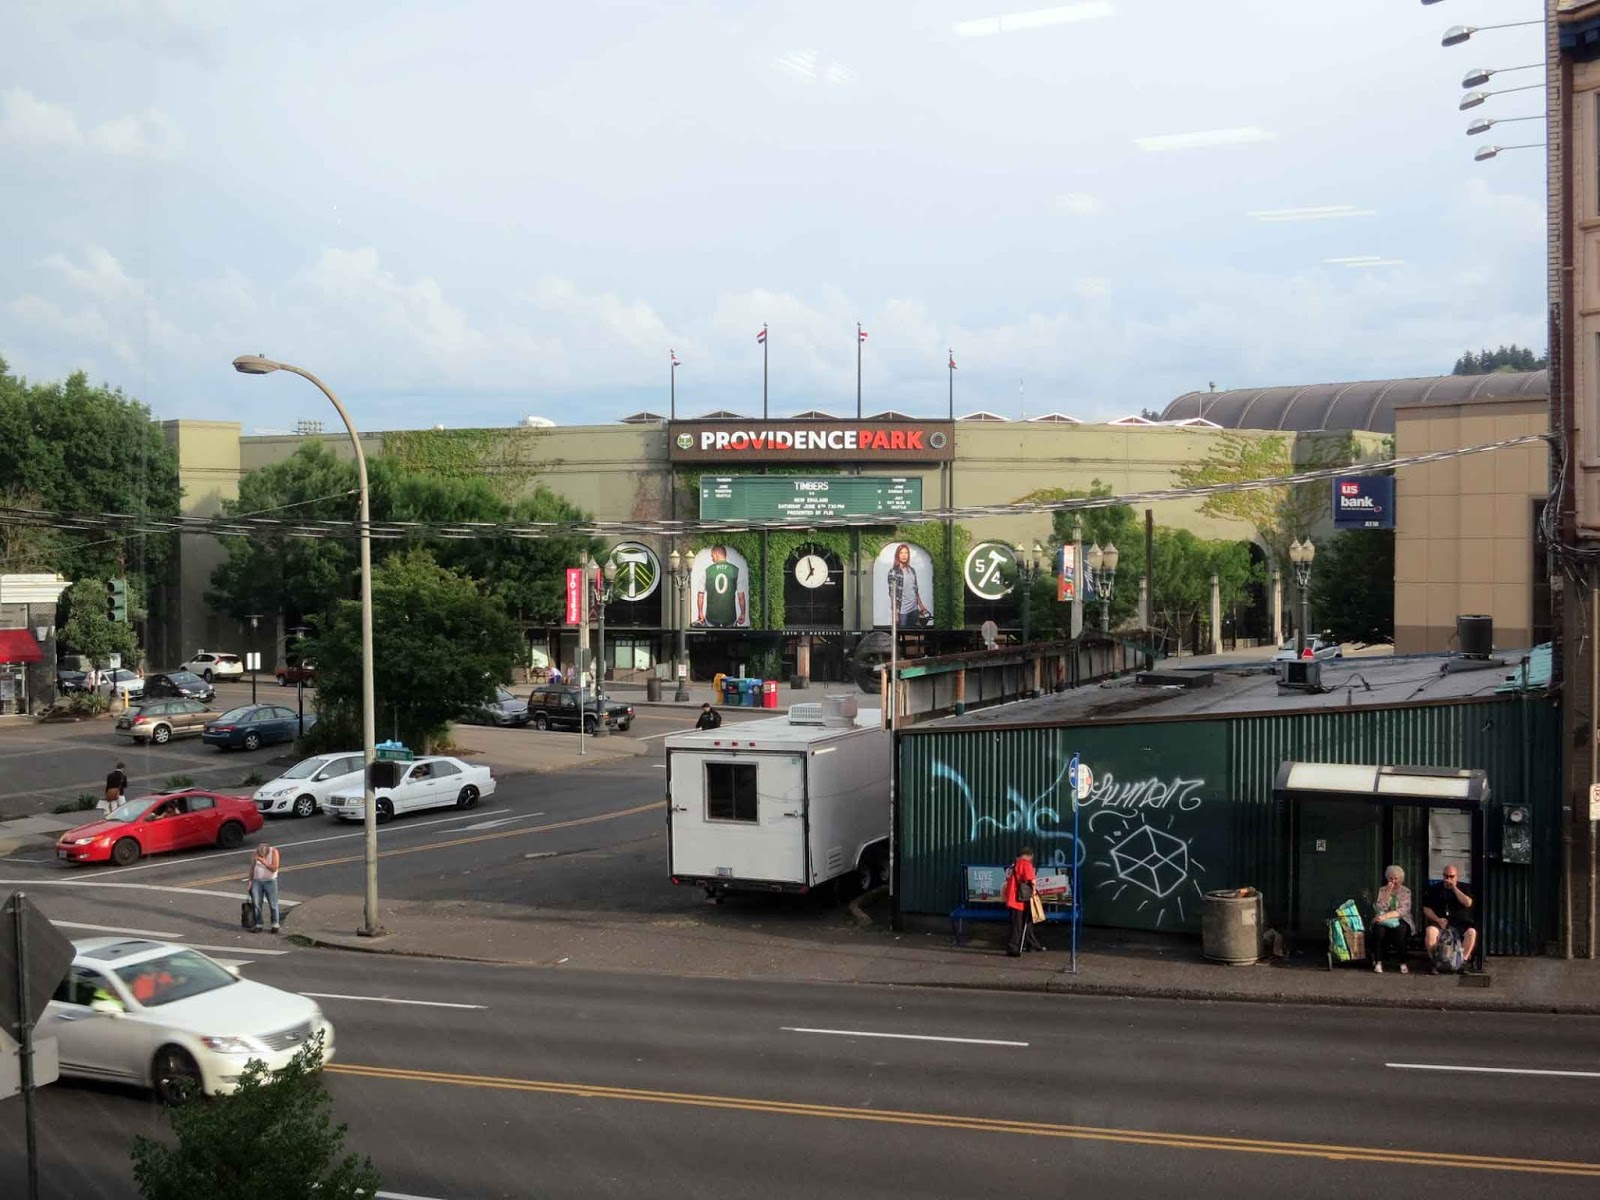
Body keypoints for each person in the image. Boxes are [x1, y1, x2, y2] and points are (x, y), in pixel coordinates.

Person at [1422, 864, 1477, 971]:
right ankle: (1435, 962)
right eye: (1446, 876)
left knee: (1471, 932)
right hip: (1440, 922)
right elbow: (1426, 908)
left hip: (1460, 923)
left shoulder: (1464, 888)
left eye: (1451, 876)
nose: (1448, 879)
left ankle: (1462, 962)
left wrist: (1454, 888)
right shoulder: (1435, 889)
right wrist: (1437, 919)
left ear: (1457, 876)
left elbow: (1468, 903)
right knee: (1430, 931)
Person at [1368, 865, 1414, 974]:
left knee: (1400, 931)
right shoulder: (1382, 890)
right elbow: (1380, 907)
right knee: (1379, 930)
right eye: (1391, 878)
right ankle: (1378, 962)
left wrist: (1385, 916)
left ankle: (1402, 962)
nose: (1393, 881)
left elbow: (1403, 911)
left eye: (1396, 878)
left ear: (1401, 879)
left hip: (1401, 918)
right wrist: (1387, 893)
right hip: (1383, 918)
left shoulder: (1406, 891)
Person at [697, 545, 747, 628]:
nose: (712, 559)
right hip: (730, 619)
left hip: (711, 619)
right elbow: (741, 597)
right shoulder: (736, 571)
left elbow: (700, 594)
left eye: (712, 556)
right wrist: (742, 614)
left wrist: (700, 613)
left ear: (716, 554)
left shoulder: (707, 571)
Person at [887, 543, 933, 628]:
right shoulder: (893, 572)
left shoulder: (912, 570)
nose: (904, 555)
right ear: (898, 555)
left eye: (906, 553)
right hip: (902, 611)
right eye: (901, 553)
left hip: (914, 609)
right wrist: (895, 613)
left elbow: (915, 591)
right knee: (902, 634)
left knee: (913, 633)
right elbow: (892, 594)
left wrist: (921, 606)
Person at [1003, 847, 1036, 957]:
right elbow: (1032, 880)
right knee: (1019, 924)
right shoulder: (1026, 864)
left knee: (1016, 923)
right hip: (1019, 899)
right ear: (1030, 855)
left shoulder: (1015, 864)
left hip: (1011, 896)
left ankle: (1028, 943)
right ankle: (1013, 948)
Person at [247, 843, 282, 934]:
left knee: (273, 904)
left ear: (267, 851)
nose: (260, 856)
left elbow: (274, 868)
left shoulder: (274, 852)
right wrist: (250, 881)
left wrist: (264, 861)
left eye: (263, 855)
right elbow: (252, 867)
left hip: (270, 881)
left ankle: (275, 924)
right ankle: (258, 924)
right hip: (257, 881)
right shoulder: (255, 853)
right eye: (259, 854)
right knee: (257, 903)